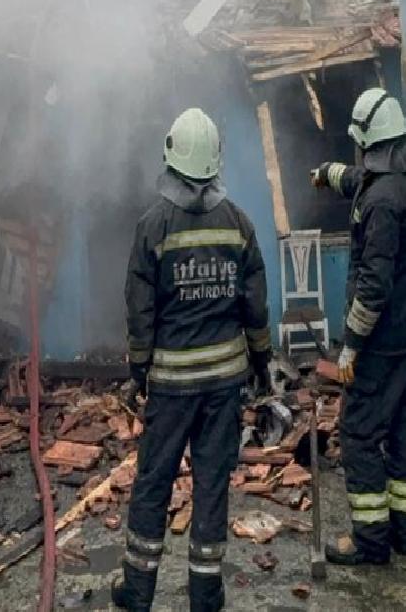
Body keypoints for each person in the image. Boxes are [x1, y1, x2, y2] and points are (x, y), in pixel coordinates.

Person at [113, 108, 270, 612]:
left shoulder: (152, 225)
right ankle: (206, 595)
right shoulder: (239, 224)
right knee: (211, 486)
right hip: (224, 386)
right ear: (216, 162)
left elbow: (140, 309)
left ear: (171, 156)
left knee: (154, 483)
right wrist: (262, 362)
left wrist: (139, 371)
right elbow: (255, 305)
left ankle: (137, 594)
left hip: (172, 386)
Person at [309, 87, 406, 566]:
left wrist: (350, 348)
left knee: (358, 435)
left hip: (378, 344)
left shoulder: (380, 204)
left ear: (370, 141)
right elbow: (360, 177)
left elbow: (373, 288)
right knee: (402, 433)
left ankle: (371, 542)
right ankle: (405, 535)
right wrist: (328, 174)